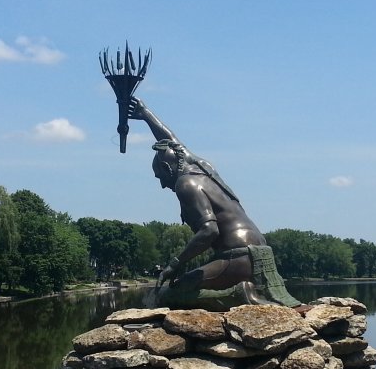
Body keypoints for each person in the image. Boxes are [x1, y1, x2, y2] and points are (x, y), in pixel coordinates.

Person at [128, 97, 298, 308]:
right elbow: (173, 142)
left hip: (237, 258)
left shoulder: (185, 183)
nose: (163, 185)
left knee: (169, 294)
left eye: (159, 177)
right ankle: (244, 290)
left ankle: (236, 294)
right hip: (262, 254)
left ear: (166, 168)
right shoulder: (204, 167)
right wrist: (145, 113)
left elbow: (209, 231)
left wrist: (175, 264)